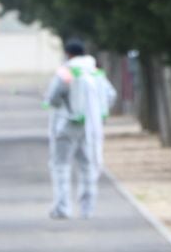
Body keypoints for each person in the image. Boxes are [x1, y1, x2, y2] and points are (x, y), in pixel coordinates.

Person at [44, 40, 117, 219]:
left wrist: (58, 104)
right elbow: (110, 95)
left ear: (68, 54)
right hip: (89, 126)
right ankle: (87, 209)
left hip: (66, 124)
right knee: (87, 166)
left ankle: (63, 208)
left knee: (60, 166)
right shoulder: (95, 72)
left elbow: (53, 97)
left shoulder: (66, 72)